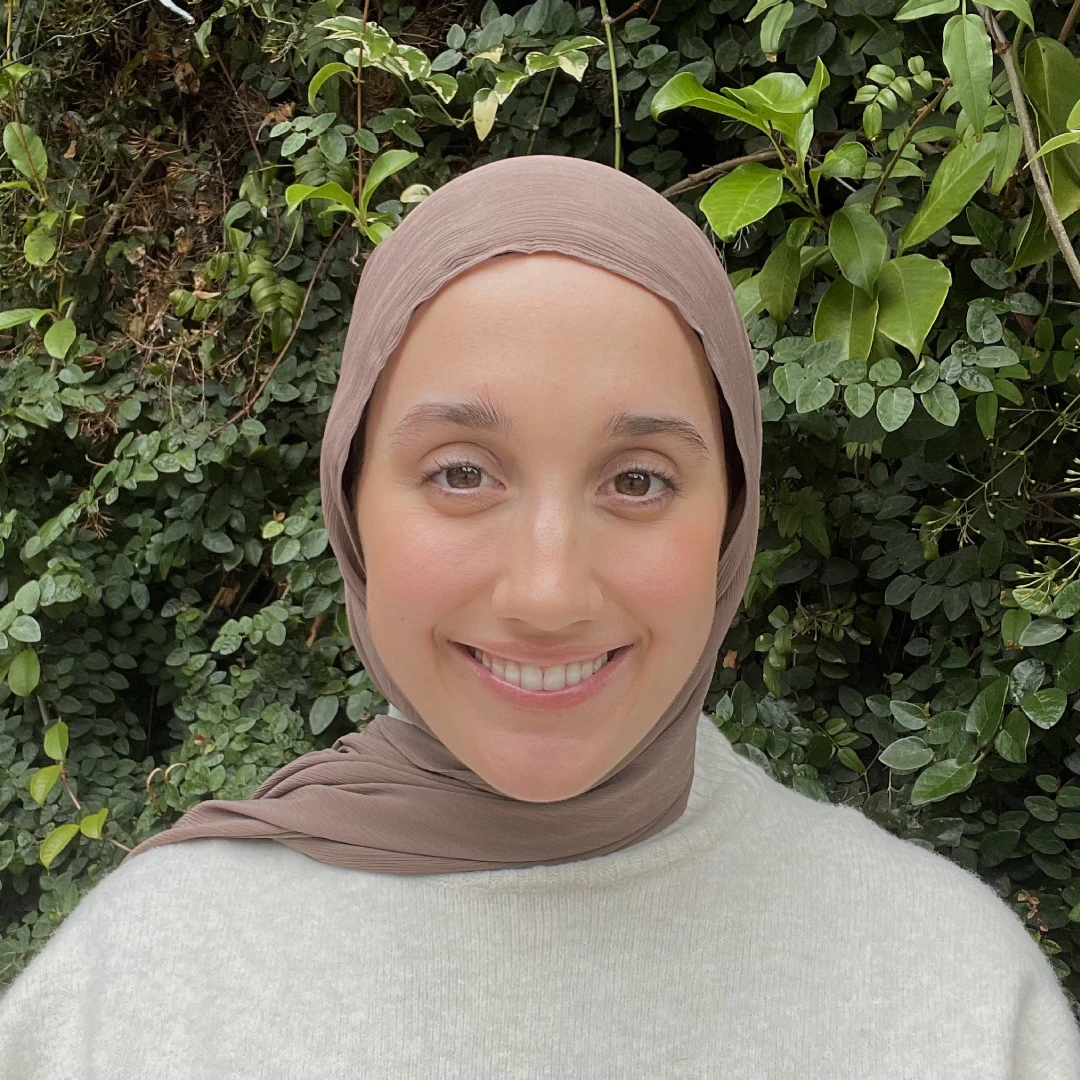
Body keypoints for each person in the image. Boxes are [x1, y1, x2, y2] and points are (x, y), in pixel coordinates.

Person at [0, 153, 1077, 1078]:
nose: (549, 594)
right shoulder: (140, 985)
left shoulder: (953, 992)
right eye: (462, 472)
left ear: (732, 520)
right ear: (351, 501)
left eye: (639, 480)